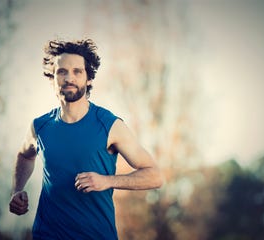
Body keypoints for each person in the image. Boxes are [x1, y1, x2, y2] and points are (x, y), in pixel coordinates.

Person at [9, 38, 163, 239]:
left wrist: (107, 181)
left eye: (77, 72)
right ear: (53, 78)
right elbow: (25, 156)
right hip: (46, 235)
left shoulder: (109, 124)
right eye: (61, 71)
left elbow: (154, 176)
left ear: (89, 78)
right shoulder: (40, 126)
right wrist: (17, 190)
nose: (68, 78)